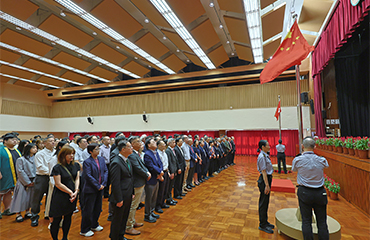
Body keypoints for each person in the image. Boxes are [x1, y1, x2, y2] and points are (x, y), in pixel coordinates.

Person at [292, 137, 329, 240]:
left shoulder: (298, 160)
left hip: (305, 192)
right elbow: (326, 166)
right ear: (315, 147)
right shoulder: (322, 160)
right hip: (320, 192)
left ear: (302, 146)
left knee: (306, 221)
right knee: (322, 222)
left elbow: (294, 169)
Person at [49, 145, 80, 240]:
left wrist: (76, 190)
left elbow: (77, 178)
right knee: (56, 219)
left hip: (72, 195)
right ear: (63, 155)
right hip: (60, 196)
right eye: (69, 154)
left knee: (68, 217)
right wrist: (71, 192)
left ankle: (65, 237)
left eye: (73, 154)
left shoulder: (76, 165)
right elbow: (58, 184)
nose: (72, 156)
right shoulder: (57, 167)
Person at [80, 143, 108, 237]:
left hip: (100, 188)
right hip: (91, 189)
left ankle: (94, 224)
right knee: (88, 209)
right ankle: (84, 229)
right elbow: (88, 175)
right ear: (90, 151)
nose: (98, 151)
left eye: (98, 149)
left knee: (97, 208)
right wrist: (97, 185)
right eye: (96, 149)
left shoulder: (101, 159)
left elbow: (105, 171)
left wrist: (103, 183)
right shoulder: (87, 162)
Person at [109, 140, 134, 240]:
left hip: (127, 194)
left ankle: (121, 236)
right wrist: (119, 199)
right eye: (129, 147)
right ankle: (115, 237)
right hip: (120, 196)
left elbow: (130, 178)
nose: (131, 148)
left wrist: (132, 192)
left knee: (124, 217)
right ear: (123, 149)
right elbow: (115, 183)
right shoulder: (116, 162)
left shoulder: (127, 160)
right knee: (117, 219)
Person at [126, 136, 150, 235]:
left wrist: (147, 172)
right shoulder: (132, 155)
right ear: (132, 144)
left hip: (140, 182)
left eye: (140, 141)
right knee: (133, 205)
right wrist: (147, 174)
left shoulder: (137, 154)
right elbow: (137, 168)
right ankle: (128, 226)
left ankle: (133, 221)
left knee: (135, 205)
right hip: (136, 183)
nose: (140, 142)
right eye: (137, 141)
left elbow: (142, 166)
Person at [30, 136, 55, 227]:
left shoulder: (56, 153)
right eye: (50, 141)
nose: (53, 142)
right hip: (42, 178)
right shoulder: (40, 154)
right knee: (37, 198)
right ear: (44, 143)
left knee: (51, 196)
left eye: (54, 141)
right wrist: (52, 172)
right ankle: (34, 216)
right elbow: (40, 167)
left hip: (52, 177)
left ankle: (48, 214)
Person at [10, 143, 37, 222]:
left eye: (36, 148)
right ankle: (18, 214)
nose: (35, 149)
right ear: (28, 149)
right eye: (33, 148)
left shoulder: (36, 159)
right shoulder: (21, 159)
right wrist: (27, 182)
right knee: (20, 198)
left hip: (33, 181)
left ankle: (27, 211)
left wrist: (34, 181)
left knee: (30, 198)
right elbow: (20, 172)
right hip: (23, 181)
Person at [45, 140, 69, 223]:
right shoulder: (54, 159)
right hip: (55, 184)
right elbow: (51, 173)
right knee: (53, 202)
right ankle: (52, 220)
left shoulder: (65, 158)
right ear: (60, 147)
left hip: (63, 183)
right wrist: (56, 184)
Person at [0, 133, 22, 218]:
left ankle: (7, 209)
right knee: (0, 193)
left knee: (8, 192)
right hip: (3, 174)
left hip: (13, 175)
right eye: (12, 139)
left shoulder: (16, 150)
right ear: (5, 141)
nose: (15, 141)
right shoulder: (1, 150)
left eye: (16, 139)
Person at [256, 140, 274, 234]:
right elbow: (263, 172)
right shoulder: (262, 157)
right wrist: (267, 185)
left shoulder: (265, 155)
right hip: (264, 180)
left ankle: (265, 221)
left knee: (266, 201)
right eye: (267, 145)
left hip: (267, 179)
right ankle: (262, 224)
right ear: (263, 147)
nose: (269, 146)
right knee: (263, 202)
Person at [143, 138, 163, 223]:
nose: (155, 143)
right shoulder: (147, 154)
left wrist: (160, 171)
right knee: (149, 198)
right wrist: (159, 172)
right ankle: (147, 215)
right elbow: (150, 166)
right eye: (153, 142)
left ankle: (152, 212)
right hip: (151, 179)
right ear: (148, 145)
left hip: (157, 177)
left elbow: (160, 163)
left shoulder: (156, 152)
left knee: (154, 197)